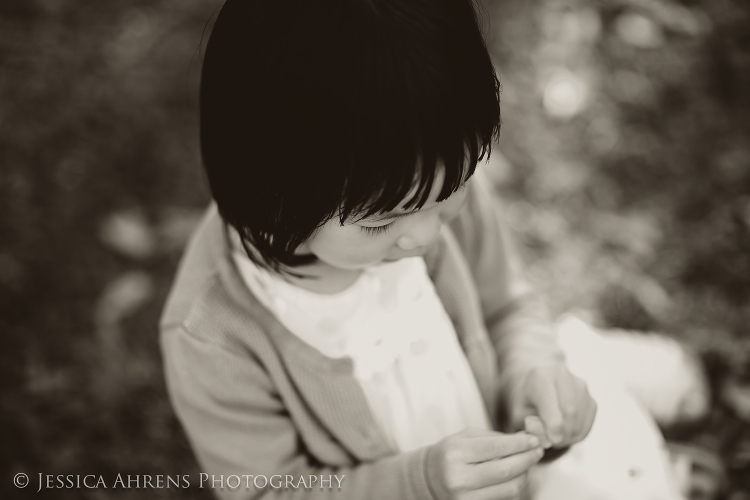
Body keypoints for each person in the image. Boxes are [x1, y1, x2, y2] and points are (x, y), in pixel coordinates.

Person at [159, 0, 684, 498]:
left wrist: (529, 378)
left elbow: (507, 306)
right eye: (383, 223)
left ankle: (590, 359)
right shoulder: (214, 339)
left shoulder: (426, 175)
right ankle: (602, 360)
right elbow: (271, 491)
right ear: (274, 208)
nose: (429, 237)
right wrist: (420, 483)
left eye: (448, 197)